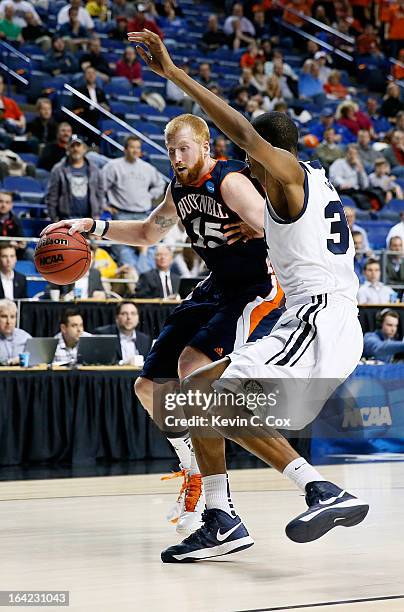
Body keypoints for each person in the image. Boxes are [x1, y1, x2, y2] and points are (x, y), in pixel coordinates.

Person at [125, 30, 369, 562]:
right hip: (318, 320)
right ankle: (225, 516)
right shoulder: (317, 184)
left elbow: (240, 129)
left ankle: (317, 491)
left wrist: (176, 75)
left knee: (207, 397)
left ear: (269, 154)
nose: (247, 169)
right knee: (199, 393)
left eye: (251, 159)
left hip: (318, 318)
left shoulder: (288, 175)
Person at [40, 112, 285, 537]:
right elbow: (148, 234)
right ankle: (191, 468)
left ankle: (219, 505)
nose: (175, 156)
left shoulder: (229, 181)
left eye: (183, 148)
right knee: (148, 387)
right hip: (215, 287)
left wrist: (262, 226)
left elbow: (284, 225)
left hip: (255, 289)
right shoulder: (178, 190)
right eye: (170, 149)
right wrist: (90, 226)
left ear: (206, 147)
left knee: (192, 369)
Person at [102, 135, 165, 270]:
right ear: (125, 149)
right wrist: (104, 205)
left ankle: (143, 282)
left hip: (144, 215)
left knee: (148, 250)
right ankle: (134, 281)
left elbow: (160, 184)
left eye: (138, 148)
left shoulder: (147, 168)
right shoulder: (113, 166)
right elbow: (100, 188)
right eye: (132, 147)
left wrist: (149, 196)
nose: (135, 150)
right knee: (124, 254)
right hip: (121, 215)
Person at [45, 134, 104, 221]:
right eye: (72, 146)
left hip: (88, 221)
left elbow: (100, 193)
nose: (75, 149)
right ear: (67, 149)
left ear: (84, 148)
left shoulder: (94, 170)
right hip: (65, 220)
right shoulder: (58, 169)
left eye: (78, 145)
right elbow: (52, 196)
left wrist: (97, 214)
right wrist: (54, 219)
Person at [0, 191, 32, 261]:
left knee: (31, 253)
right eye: (1, 201)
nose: (3, 205)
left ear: (11, 205)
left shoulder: (15, 220)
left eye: (7, 202)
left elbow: (21, 237)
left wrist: (22, 243)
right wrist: (8, 243)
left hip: (13, 250)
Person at [0, 298, 31, 365]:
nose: (9, 322)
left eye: (12, 317)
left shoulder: (25, 337)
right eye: (4, 316)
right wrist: (10, 362)